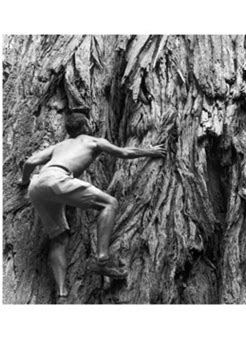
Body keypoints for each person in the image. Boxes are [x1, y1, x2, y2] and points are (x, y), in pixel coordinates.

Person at [18, 112, 166, 302]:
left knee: (59, 239)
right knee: (110, 203)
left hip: (36, 186)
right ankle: (102, 259)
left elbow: (30, 162)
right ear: (86, 126)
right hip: (59, 178)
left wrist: (24, 182)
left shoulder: (59, 146)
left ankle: (62, 294)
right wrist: (150, 151)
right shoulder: (93, 141)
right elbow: (124, 153)